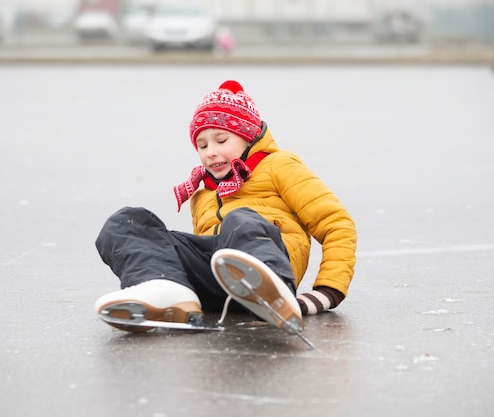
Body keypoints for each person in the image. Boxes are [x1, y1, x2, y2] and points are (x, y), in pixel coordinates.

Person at [94, 80, 357, 336]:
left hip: (268, 260)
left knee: (240, 220)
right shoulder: (202, 194)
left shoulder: (279, 165)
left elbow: (337, 224)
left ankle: (270, 291)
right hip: (219, 274)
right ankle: (165, 289)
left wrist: (328, 291)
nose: (210, 152)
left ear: (247, 137)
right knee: (127, 222)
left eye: (221, 140)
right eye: (203, 145)